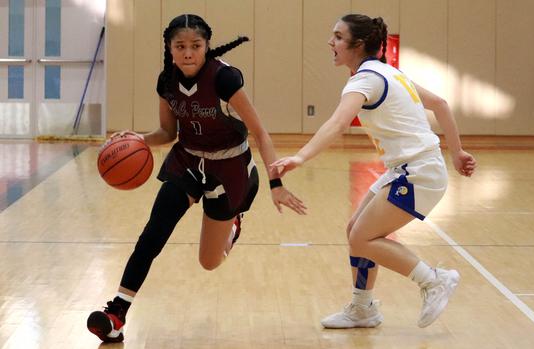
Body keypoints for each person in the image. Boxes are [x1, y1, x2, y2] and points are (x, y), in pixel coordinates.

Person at [87, 14, 306, 343]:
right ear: (170, 49)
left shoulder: (224, 79)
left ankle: (233, 222)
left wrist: (277, 183)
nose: (188, 52)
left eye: (195, 46)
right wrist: (136, 139)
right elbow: (166, 132)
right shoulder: (166, 82)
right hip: (187, 161)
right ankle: (117, 312)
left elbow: (260, 131)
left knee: (209, 262)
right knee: (153, 233)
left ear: (206, 47)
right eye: (180, 46)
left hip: (231, 168)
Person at [271, 14, 476, 329]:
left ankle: (433, 280)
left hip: (418, 172)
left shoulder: (365, 79)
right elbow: (441, 104)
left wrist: (301, 156)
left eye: (338, 37)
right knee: (356, 230)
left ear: (359, 44)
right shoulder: (389, 72)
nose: (331, 42)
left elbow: (338, 123)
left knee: (363, 237)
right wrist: (457, 151)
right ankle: (363, 308)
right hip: (408, 168)